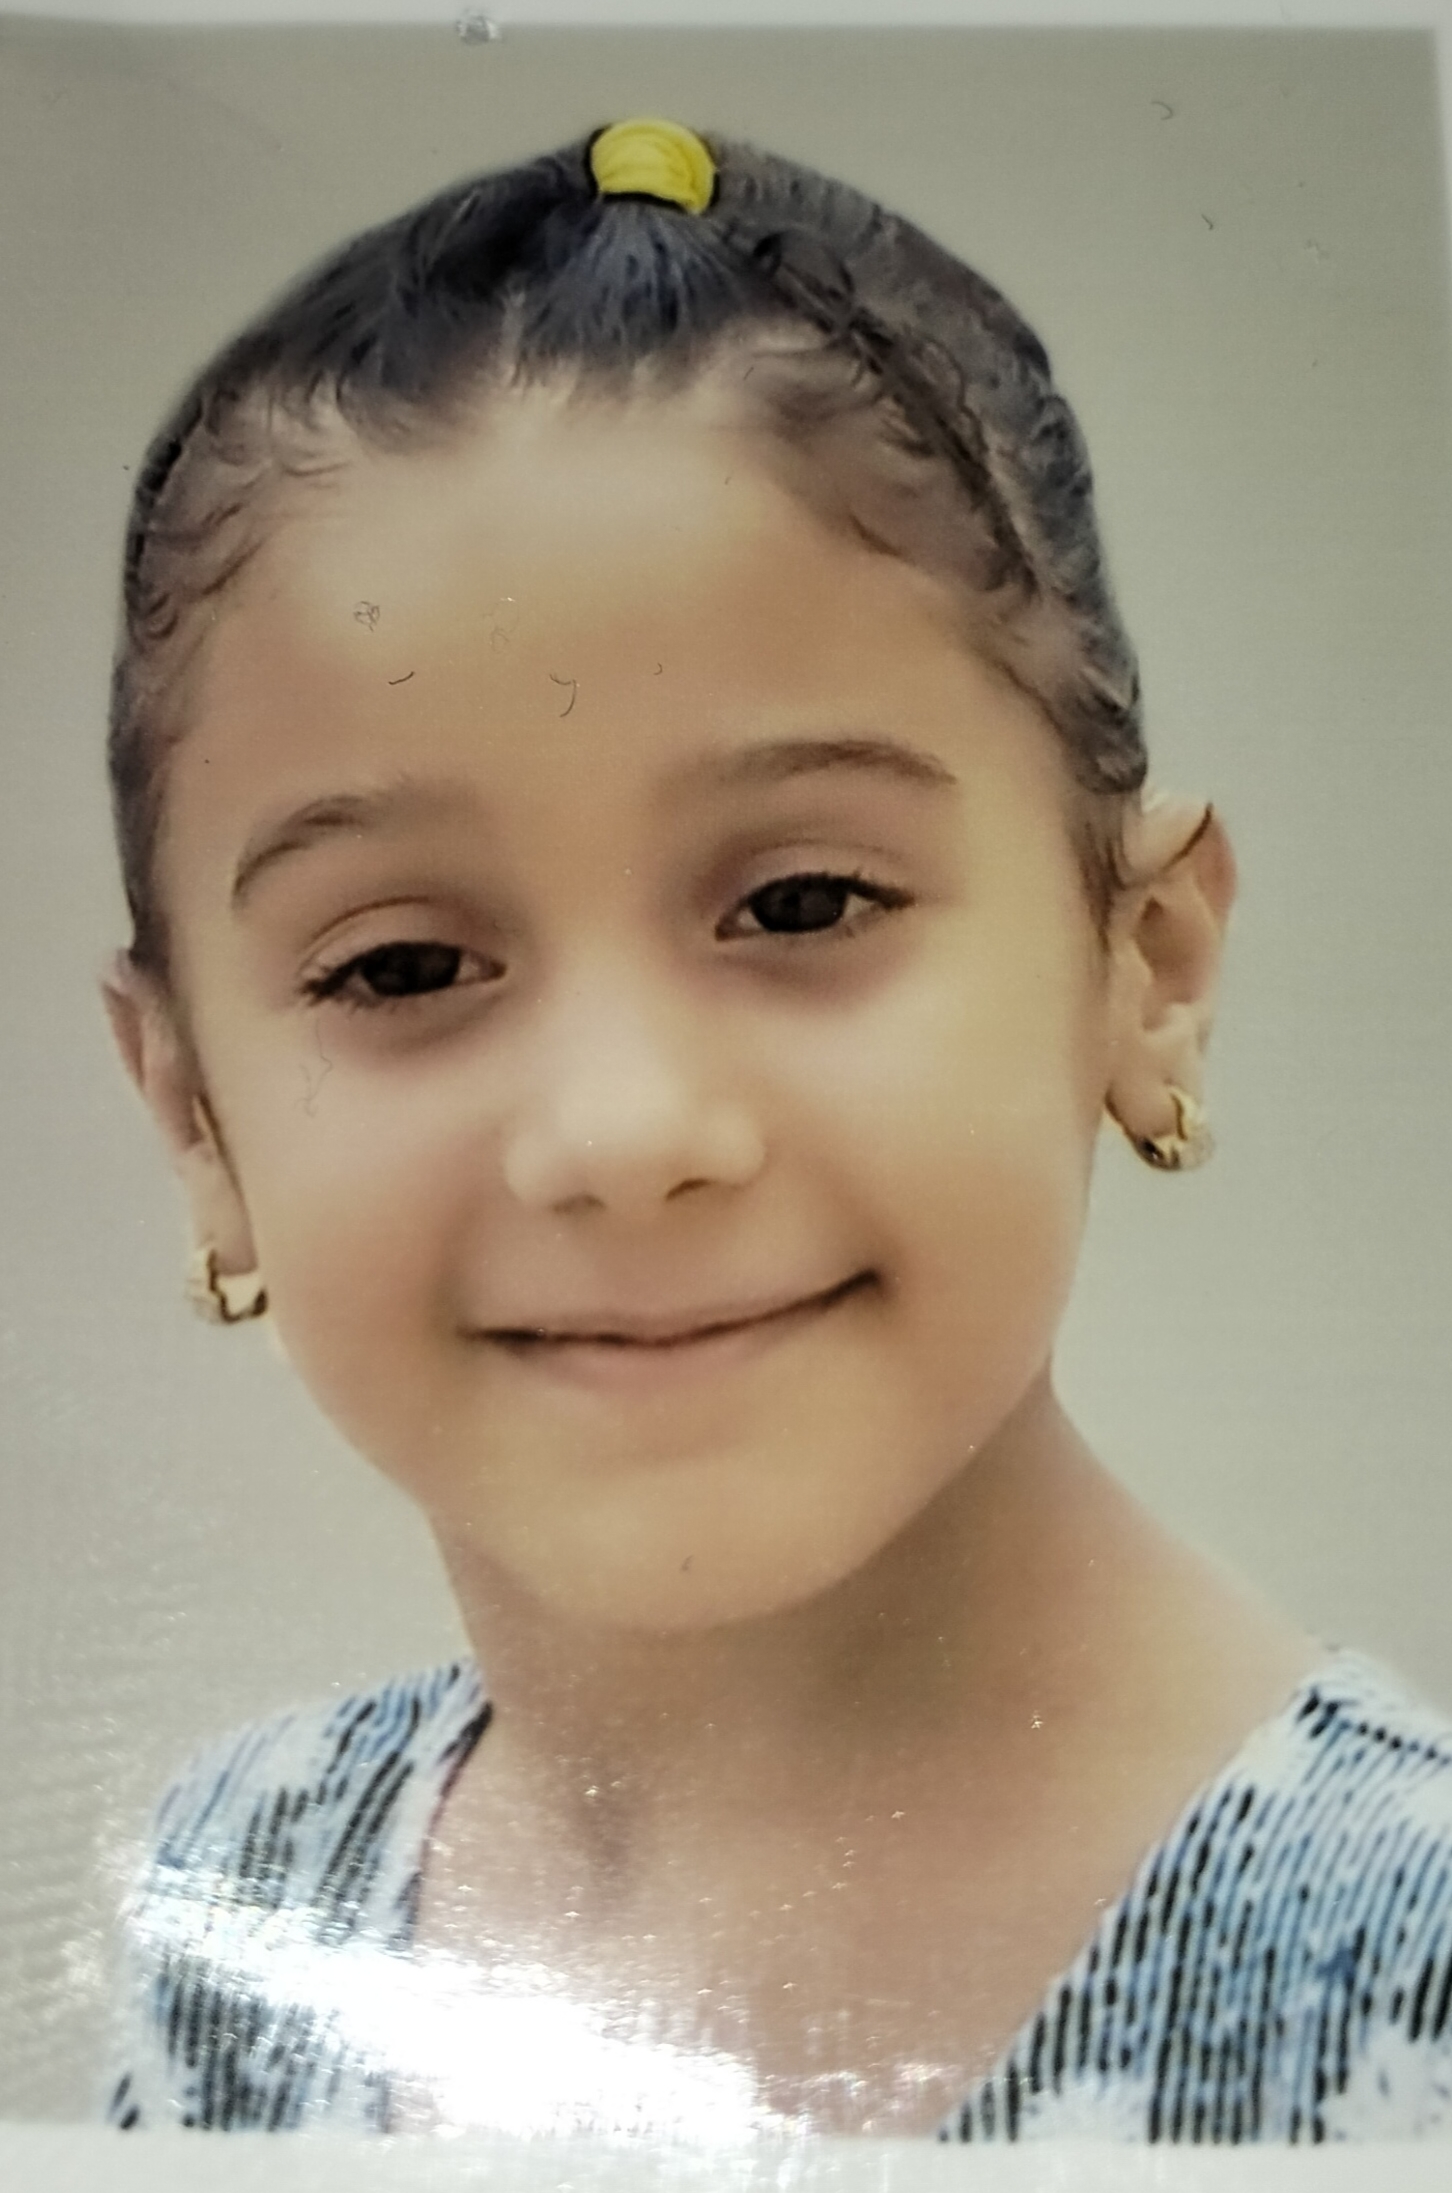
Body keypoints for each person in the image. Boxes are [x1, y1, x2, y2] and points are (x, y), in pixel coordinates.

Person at [101, 118, 1452, 2144]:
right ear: (195, 1111)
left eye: (804, 902)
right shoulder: (237, 1892)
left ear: (1147, 958)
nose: (626, 1132)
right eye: (401, 964)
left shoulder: (1410, 1981)